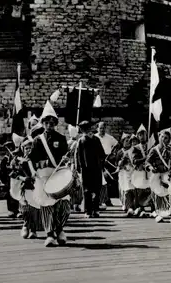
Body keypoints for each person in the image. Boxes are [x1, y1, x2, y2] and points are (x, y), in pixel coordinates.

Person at [28, 102, 70, 247]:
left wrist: (66, 160)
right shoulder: (37, 141)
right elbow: (32, 160)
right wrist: (41, 165)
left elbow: (66, 157)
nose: (49, 125)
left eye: (52, 122)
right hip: (44, 176)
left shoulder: (61, 138)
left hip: (58, 175)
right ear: (43, 124)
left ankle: (59, 229)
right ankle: (50, 234)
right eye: (46, 122)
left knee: (63, 205)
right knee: (47, 206)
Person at [10, 138, 40, 239]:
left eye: (30, 148)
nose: (28, 150)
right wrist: (23, 178)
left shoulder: (36, 160)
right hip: (23, 187)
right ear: (23, 149)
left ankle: (33, 229)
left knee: (34, 208)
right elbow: (13, 174)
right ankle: (26, 225)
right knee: (26, 209)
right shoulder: (17, 160)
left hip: (35, 186)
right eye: (26, 148)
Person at [76, 120, 106, 219]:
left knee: (95, 189)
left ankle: (93, 210)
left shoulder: (93, 140)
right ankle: (90, 210)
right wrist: (78, 168)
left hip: (91, 168)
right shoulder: (82, 140)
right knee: (88, 190)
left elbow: (102, 154)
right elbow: (78, 156)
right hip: (87, 169)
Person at [146, 129, 171, 223]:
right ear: (159, 137)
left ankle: (170, 211)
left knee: (169, 192)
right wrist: (150, 167)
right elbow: (147, 162)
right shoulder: (154, 150)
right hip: (156, 174)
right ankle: (158, 213)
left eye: (166, 138)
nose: (163, 139)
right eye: (162, 137)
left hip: (167, 174)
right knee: (157, 193)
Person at [95, 122, 118, 208]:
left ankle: (107, 199)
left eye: (103, 128)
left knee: (108, 180)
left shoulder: (109, 137)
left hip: (107, 160)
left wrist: (112, 153)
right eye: (100, 128)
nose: (102, 130)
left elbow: (117, 144)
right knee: (100, 180)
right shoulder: (95, 137)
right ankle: (102, 199)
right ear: (97, 128)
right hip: (97, 160)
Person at [131, 125, 152, 217]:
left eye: (144, 134)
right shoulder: (136, 148)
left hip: (149, 172)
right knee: (139, 190)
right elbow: (134, 160)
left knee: (150, 189)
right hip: (140, 172)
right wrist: (144, 158)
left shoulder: (151, 147)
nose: (142, 136)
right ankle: (139, 208)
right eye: (140, 135)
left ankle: (152, 208)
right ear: (138, 136)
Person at [117, 134, 136, 216]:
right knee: (124, 188)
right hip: (123, 173)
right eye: (126, 141)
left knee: (131, 189)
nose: (128, 143)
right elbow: (117, 163)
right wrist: (122, 163)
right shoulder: (120, 152)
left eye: (129, 141)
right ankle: (126, 204)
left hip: (132, 171)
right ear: (123, 142)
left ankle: (131, 206)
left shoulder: (134, 150)